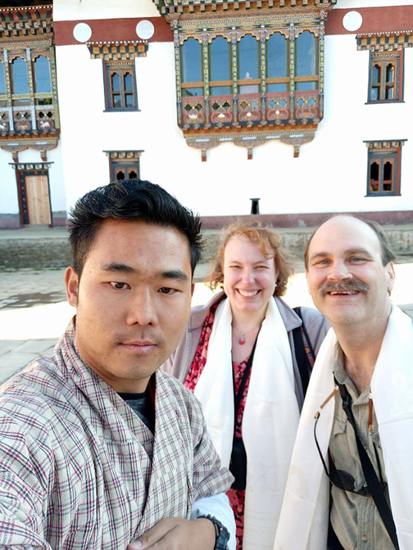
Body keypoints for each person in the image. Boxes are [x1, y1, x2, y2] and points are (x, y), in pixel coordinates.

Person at [0, 179, 236, 550]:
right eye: (118, 284)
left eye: (167, 289)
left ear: (190, 293)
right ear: (74, 287)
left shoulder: (180, 402)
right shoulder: (22, 426)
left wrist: (205, 533)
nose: (143, 315)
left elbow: (212, 493)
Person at [162, 222, 329, 550]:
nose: (247, 280)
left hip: (278, 497)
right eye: (236, 267)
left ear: (277, 273)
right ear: (221, 272)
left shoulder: (308, 329)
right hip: (201, 500)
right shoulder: (189, 329)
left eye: (260, 268)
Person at [274, 215, 413, 550]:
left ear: (390, 274)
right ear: (308, 279)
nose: (338, 273)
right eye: (323, 261)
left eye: (357, 258)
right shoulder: (321, 376)